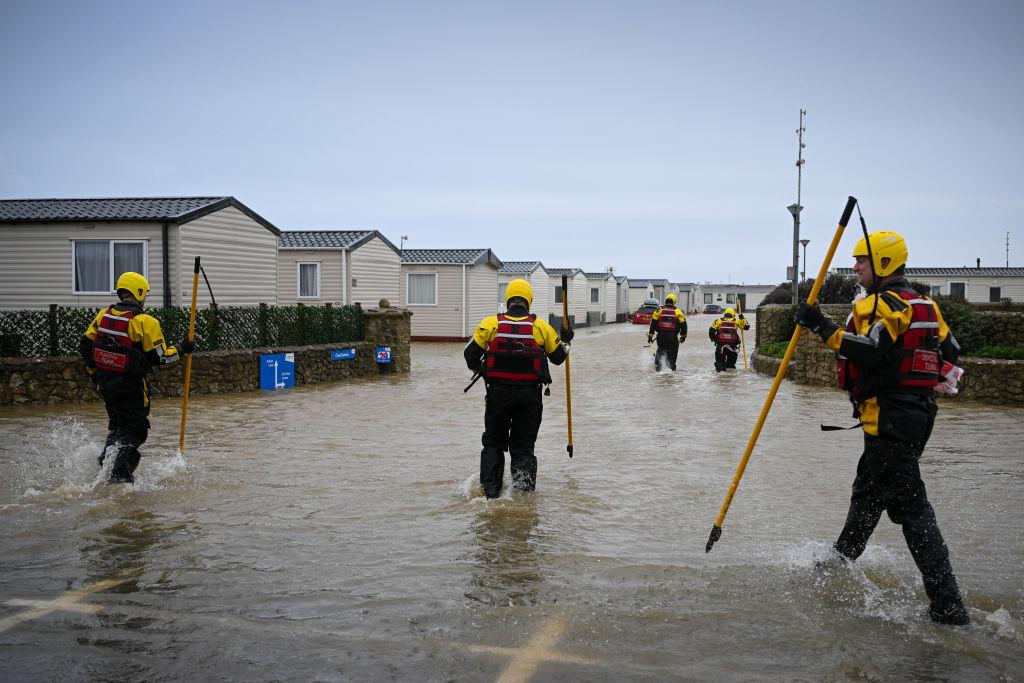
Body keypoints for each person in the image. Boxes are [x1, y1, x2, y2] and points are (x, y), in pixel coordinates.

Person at [795, 230, 969, 625]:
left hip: (890, 418)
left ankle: (948, 605)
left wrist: (819, 324)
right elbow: (951, 351)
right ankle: (840, 563)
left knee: (911, 510)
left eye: (862, 261)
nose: (855, 267)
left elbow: (866, 349)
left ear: (885, 264)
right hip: (916, 416)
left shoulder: (884, 305)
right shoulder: (925, 305)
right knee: (868, 495)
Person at [80, 272, 193, 483]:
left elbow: (86, 346)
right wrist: (181, 348)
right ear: (138, 292)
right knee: (135, 430)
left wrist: (95, 375)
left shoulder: (103, 315)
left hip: (106, 384)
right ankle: (120, 477)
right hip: (131, 386)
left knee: (117, 424)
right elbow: (159, 358)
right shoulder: (145, 321)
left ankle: (106, 461)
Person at [463, 279, 572, 499]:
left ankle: (491, 494)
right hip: (529, 398)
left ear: (508, 299)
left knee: (493, 443)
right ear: (528, 301)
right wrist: (566, 340)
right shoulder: (541, 327)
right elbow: (559, 358)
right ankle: (522, 498)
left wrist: (483, 370)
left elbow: (470, 355)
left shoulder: (490, 324)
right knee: (523, 447)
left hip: (497, 395)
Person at [647, 293, 687, 371]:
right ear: (674, 302)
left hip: (661, 337)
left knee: (660, 352)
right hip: (672, 338)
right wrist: (683, 337)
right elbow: (684, 325)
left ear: (666, 300)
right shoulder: (678, 311)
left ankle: (658, 371)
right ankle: (671, 375)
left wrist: (650, 336)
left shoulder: (659, 310)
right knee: (671, 359)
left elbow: (653, 323)